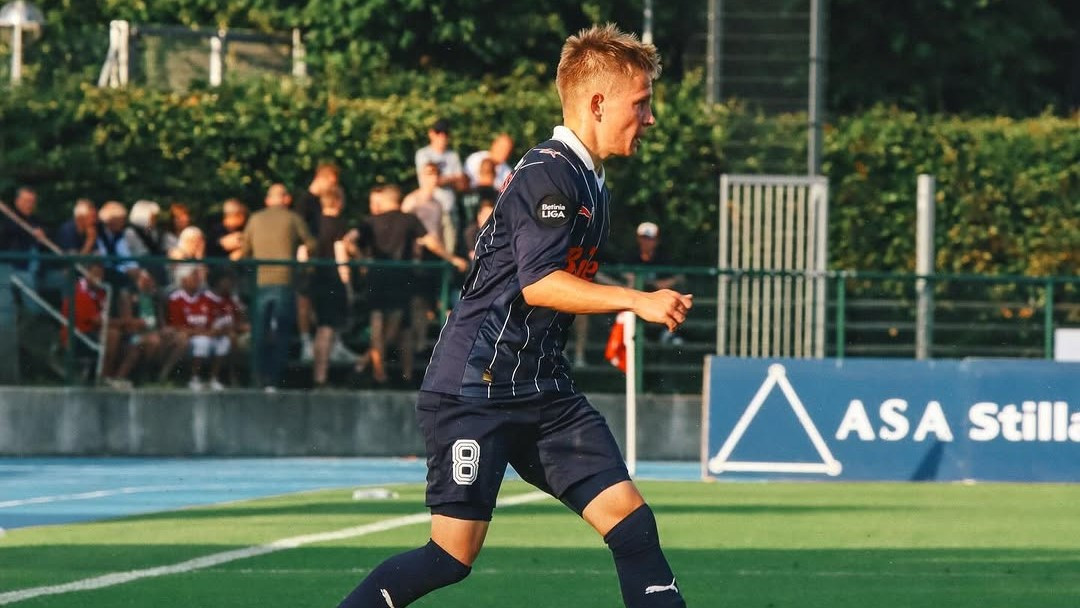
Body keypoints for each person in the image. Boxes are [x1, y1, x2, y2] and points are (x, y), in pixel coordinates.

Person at [334, 24, 691, 608]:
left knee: (631, 524)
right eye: (641, 103)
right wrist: (636, 299)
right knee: (450, 557)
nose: (650, 118)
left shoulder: (590, 181)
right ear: (597, 103)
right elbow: (540, 283)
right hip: (476, 386)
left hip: (542, 390)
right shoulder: (550, 173)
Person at [350, 184, 465, 386]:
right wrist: (452, 258)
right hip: (400, 278)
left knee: (378, 325)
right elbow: (431, 241)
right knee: (396, 327)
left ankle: (377, 372)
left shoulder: (370, 221)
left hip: (376, 277)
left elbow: (348, 241)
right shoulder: (409, 220)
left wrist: (362, 262)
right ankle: (389, 372)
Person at [240, 183, 317, 391]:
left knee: (259, 330)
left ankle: (256, 376)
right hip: (285, 280)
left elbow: (245, 250)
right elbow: (311, 244)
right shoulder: (293, 218)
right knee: (281, 331)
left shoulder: (255, 219)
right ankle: (274, 379)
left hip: (261, 281)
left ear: (267, 200)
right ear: (286, 199)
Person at [294, 164, 342, 362]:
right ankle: (306, 343)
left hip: (321, 261)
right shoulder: (305, 202)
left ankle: (331, 345)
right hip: (310, 261)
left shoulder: (319, 203)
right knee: (305, 301)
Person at [310, 185, 355, 389]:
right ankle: (321, 376)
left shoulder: (314, 223)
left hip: (316, 279)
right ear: (339, 202)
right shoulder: (338, 224)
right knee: (327, 328)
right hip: (333, 280)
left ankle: (317, 374)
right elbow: (340, 253)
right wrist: (347, 283)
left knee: (321, 328)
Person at [414, 118, 467, 254]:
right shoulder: (423, 154)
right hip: (429, 209)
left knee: (450, 249)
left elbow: (462, 184)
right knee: (430, 249)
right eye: (439, 132)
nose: (442, 136)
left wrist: (446, 179)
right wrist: (453, 178)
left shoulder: (453, 156)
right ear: (431, 133)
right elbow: (431, 179)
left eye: (446, 133)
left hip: (449, 209)